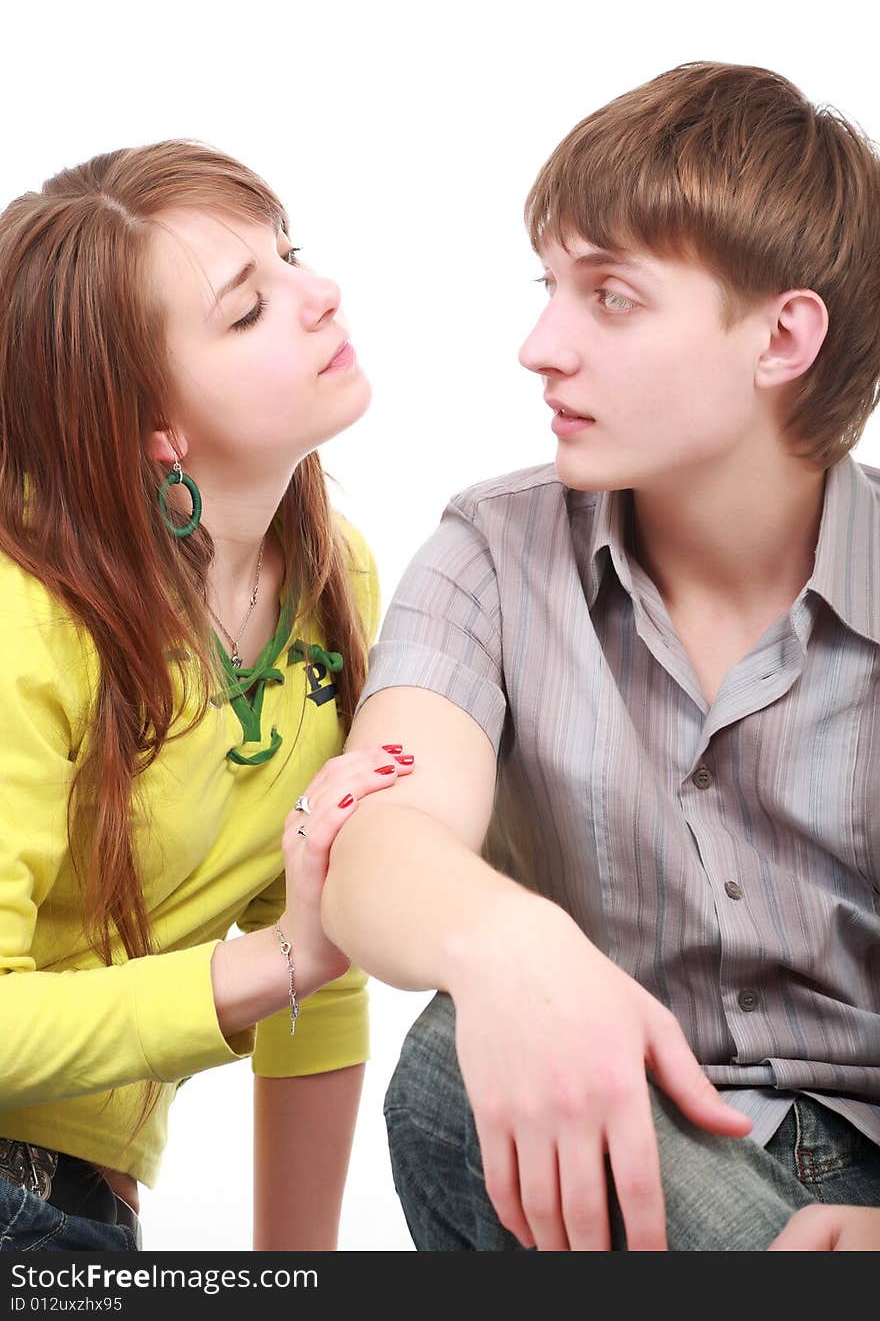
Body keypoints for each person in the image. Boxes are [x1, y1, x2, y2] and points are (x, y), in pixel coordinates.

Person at [318, 62, 880, 1250]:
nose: (538, 345)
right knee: (449, 1065)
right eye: (549, 286)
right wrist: (514, 944)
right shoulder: (491, 550)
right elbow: (374, 836)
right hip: (611, 1149)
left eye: (610, 298)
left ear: (783, 335)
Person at [0, 141, 414, 1252]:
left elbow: (318, 977)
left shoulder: (337, 583)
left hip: (74, 1206)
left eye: (291, 257)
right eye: (247, 311)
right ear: (153, 430)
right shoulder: (24, 616)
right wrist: (275, 963)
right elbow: (293, 959)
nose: (318, 293)